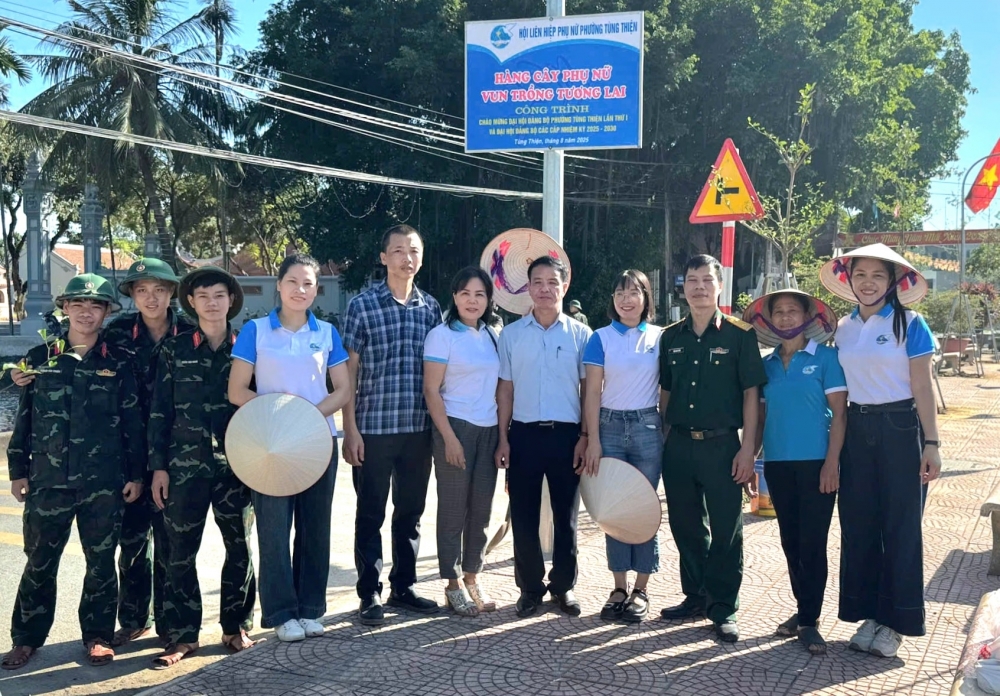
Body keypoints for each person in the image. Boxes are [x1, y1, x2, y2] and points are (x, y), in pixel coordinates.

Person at [2, 275, 146, 670]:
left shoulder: (119, 362)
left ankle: (97, 636)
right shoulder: (38, 358)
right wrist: (18, 470)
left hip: (104, 482)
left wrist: (135, 475)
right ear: (65, 308)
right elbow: (24, 419)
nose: (86, 311)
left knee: (100, 564)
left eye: (95, 305)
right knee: (39, 562)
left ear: (105, 313)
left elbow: (132, 421)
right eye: (78, 304)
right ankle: (26, 639)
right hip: (48, 480)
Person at [820, 243, 941, 658]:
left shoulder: (911, 324)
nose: (868, 283)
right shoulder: (845, 327)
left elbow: (922, 387)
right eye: (860, 275)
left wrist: (932, 443)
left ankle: (896, 621)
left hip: (901, 428)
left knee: (901, 528)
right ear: (849, 280)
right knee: (860, 525)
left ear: (893, 282)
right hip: (857, 428)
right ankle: (870, 613)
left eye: (877, 276)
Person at [229, 254, 351, 642]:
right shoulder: (256, 331)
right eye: (293, 282)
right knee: (274, 530)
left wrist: (305, 417)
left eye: (309, 284)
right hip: (269, 443)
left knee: (315, 528)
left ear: (317, 290)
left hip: (318, 441)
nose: (300, 290)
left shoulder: (328, 333)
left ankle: (312, 609)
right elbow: (236, 390)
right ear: (278, 286)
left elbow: (344, 389)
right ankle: (282, 614)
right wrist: (282, 416)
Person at [147, 267, 257, 668]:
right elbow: (159, 413)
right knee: (178, 553)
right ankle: (181, 636)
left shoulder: (248, 349)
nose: (212, 302)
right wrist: (158, 468)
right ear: (191, 303)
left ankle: (236, 626)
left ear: (231, 301)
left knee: (240, 549)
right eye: (203, 296)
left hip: (237, 468)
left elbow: (264, 407)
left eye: (220, 295)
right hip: (183, 469)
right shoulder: (174, 351)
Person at [658, 254, 767, 642]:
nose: (699, 287)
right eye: (692, 280)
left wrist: (748, 451)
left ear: (720, 286)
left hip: (723, 446)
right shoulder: (670, 337)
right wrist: (665, 440)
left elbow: (753, 394)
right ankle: (696, 595)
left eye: (707, 280)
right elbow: (665, 393)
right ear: (682, 287)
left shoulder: (740, 335)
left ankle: (723, 607)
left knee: (726, 529)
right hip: (680, 446)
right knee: (685, 526)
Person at [342, 225, 442, 626]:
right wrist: (349, 429)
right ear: (384, 257)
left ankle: (404, 585)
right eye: (398, 250)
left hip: (417, 429)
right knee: (370, 514)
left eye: (414, 250)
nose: (407, 258)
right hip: (372, 428)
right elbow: (347, 370)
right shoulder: (361, 306)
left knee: (411, 512)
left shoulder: (431, 308)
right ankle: (370, 593)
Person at [745, 289, 847, 654]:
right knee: (790, 543)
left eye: (793, 311)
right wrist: (751, 460)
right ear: (770, 320)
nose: (786, 317)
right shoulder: (767, 364)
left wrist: (832, 463)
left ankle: (809, 621)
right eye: (780, 312)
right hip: (778, 465)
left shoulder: (826, 359)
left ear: (807, 317)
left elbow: (840, 415)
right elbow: (761, 419)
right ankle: (803, 612)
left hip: (817, 465)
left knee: (812, 543)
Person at [495, 255, 592, 618]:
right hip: (522, 434)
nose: (545, 289)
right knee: (523, 514)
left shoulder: (582, 335)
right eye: (538, 282)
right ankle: (531, 588)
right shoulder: (512, 334)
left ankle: (563, 587)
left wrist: (585, 435)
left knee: (566, 516)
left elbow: (589, 392)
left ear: (565, 287)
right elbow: (505, 390)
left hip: (567, 436)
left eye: (553, 282)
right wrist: (503, 439)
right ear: (528, 288)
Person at [582, 269, 663, 624]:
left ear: (646, 298)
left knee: (643, 509)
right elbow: (591, 394)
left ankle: (641, 589)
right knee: (613, 510)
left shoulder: (661, 338)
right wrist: (593, 439)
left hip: (647, 427)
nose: (626, 299)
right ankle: (618, 586)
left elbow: (667, 392)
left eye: (634, 292)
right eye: (620, 292)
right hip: (610, 427)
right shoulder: (599, 338)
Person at [423, 266, 502, 616]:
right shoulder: (442, 335)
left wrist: (502, 437)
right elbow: (431, 390)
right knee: (454, 509)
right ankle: (452, 583)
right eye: (466, 293)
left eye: (480, 294)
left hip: (489, 429)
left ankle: (473, 575)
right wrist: (449, 438)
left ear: (489, 300)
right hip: (454, 427)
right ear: (454, 296)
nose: (473, 300)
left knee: (481, 511)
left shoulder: (493, 334)